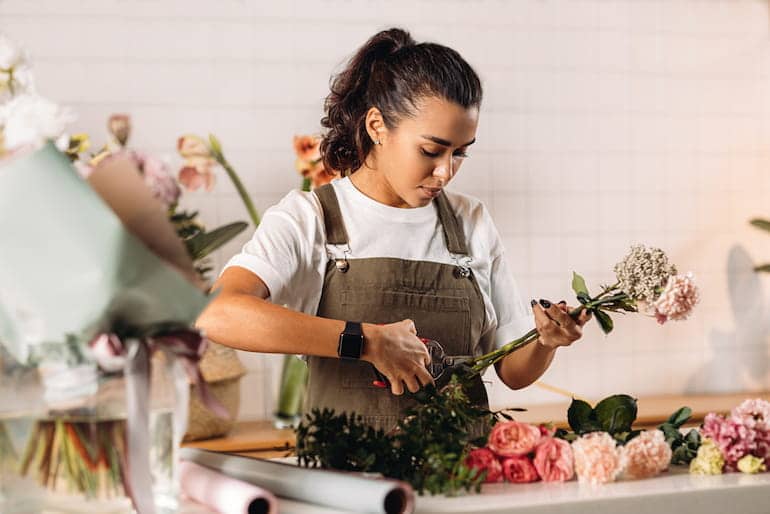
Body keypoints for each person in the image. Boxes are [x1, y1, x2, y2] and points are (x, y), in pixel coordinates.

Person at [196, 27, 591, 431]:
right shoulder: (311, 217)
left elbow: (512, 369)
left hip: (461, 476)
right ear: (377, 126)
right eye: (431, 150)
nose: (445, 172)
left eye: (461, 153)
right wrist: (366, 341)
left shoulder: (470, 220)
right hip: (351, 482)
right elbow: (216, 314)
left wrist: (545, 342)